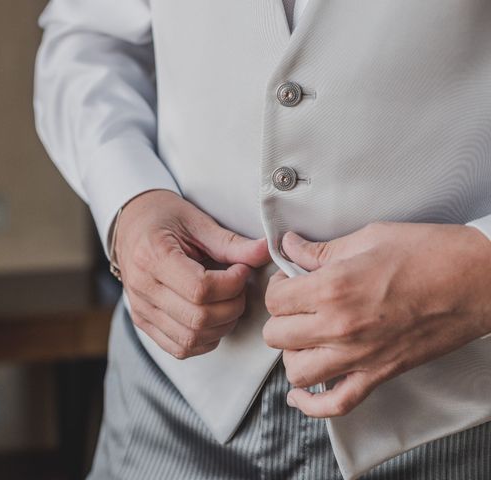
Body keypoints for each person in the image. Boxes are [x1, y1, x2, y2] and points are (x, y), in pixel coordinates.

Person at [34, 1, 491, 478]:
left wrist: (478, 278)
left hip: (459, 416)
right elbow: (89, 39)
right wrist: (129, 202)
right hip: (168, 400)